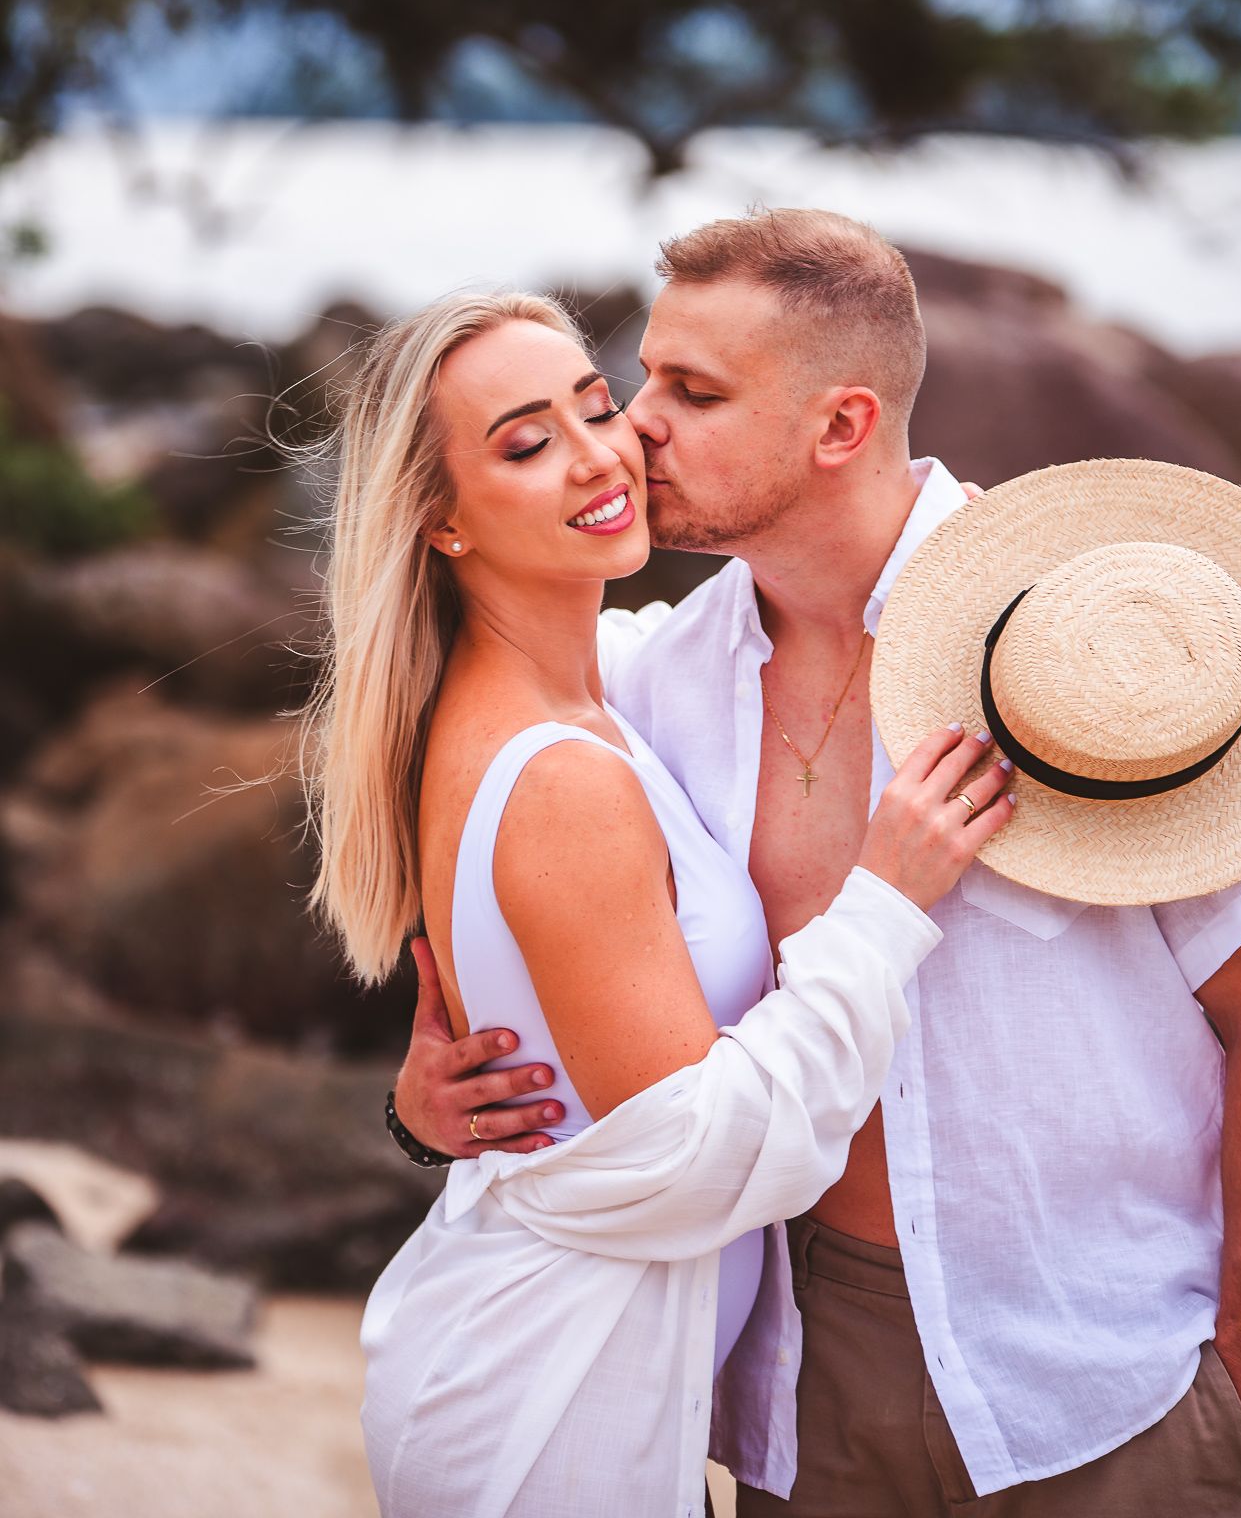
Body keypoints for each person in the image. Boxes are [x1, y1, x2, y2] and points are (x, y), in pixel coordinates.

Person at [394, 209, 1241, 1517]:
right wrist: (431, 1098)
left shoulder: (1076, 665)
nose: (635, 427)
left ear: (841, 428)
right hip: (799, 1400)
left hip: (1102, 1380)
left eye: (691, 392)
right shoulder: (647, 684)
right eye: (644, 378)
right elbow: (537, 866)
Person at [303, 286, 1013, 1517]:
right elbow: (692, 1155)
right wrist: (882, 906)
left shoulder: (604, 691)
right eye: (525, 445)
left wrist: (424, 1110)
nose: (602, 452)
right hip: (550, 1398)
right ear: (442, 522)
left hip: (580, 1363)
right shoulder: (564, 772)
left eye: (595, 404)